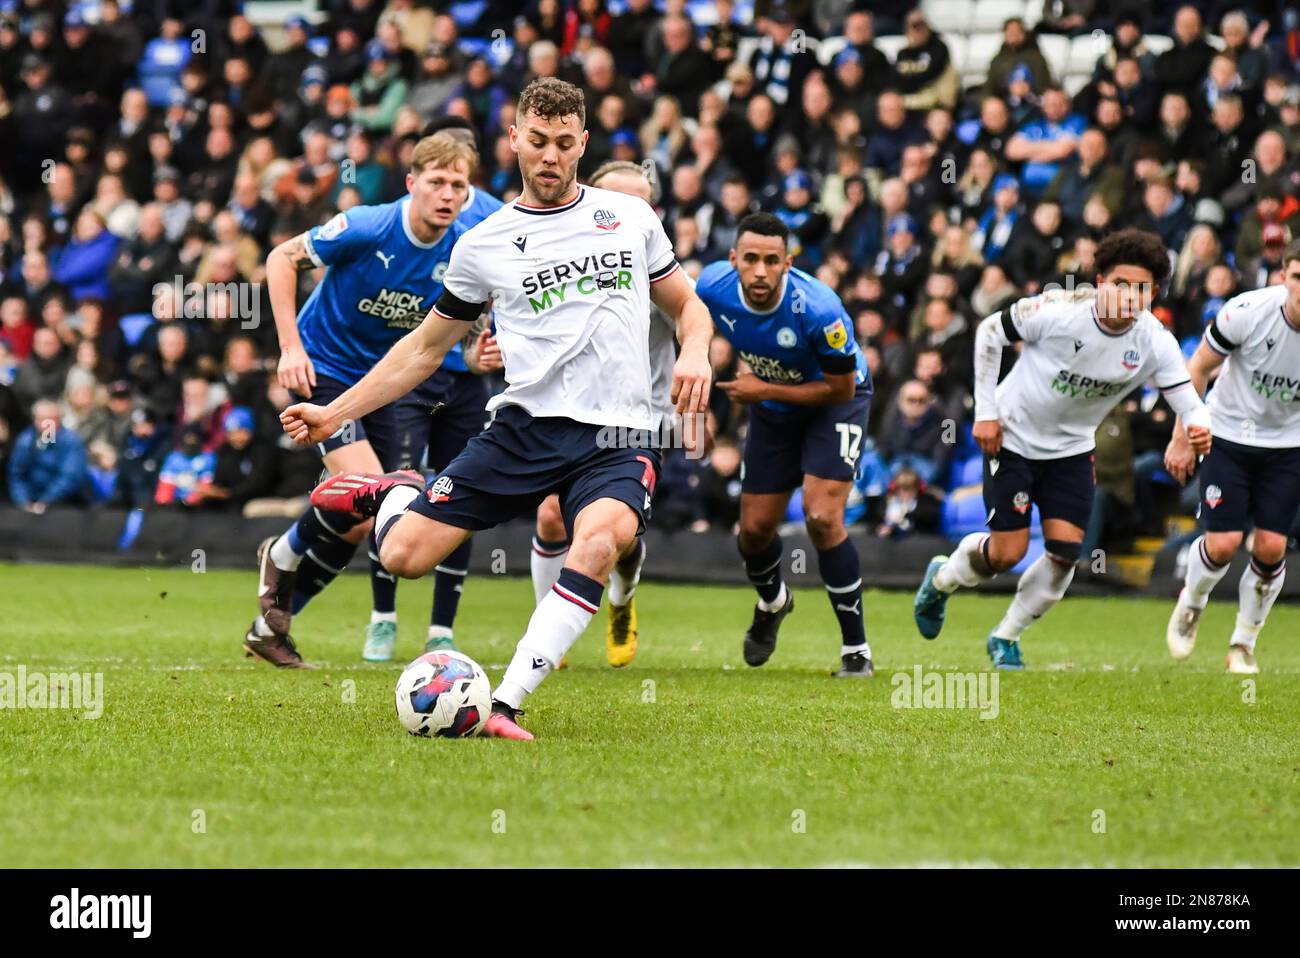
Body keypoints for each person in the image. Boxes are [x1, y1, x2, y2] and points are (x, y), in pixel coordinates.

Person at [286, 78, 713, 740]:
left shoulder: (630, 218)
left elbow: (688, 304)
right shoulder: (483, 243)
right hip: (521, 430)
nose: (550, 156)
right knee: (402, 556)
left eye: (565, 144)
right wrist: (331, 411)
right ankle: (392, 494)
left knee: (599, 541)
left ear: (583, 144)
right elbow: (421, 351)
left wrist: (697, 351)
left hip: (620, 432)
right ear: (514, 138)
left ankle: (506, 704)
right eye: (537, 141)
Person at [913, 229, 1213, 669]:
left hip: (1071, 451)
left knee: (1064, 555)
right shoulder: (1057, 310)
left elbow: (1188, 399)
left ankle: (1005, 636)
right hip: (1012, 438)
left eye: (1142, 289)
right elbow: (990, 332)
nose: (1130, 297)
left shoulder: (1154, 341)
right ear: (1100, 280)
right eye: (1121, 284)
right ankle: (941, 579)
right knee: (1007, 554)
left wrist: (1197, 427)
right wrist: (986, 412)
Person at [245, 132, 475, 670]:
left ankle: (268, 622)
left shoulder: (464, 245)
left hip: (382, 386)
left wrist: (484, 352)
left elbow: (469, 317)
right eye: (437, 182)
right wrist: (288, 347)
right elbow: (281, 258)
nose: (447, 195)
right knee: (376, 493)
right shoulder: (370, 225)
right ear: (412, 183)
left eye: (458, 186)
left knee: (361, 519)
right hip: (321, 370)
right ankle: (279, 558)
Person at [694, 212, 875, 678]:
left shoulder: (819, 309)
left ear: (787, 263)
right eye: (750, 259)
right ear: (733, 259)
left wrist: (764, 391)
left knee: (821, 515)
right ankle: (774, 602)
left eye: (771, 261)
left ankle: (856, 651)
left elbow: (840, 390)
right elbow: (686, 329)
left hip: (835, 404)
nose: (760, 271)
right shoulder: (710, 287)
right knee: (752, 532)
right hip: (773, 411)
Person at [527, 158, 683, 669]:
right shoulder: (561, 261)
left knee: (621, 536)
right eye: (617, 200)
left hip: (639, 421)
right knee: (551, 514)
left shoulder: (663, 275)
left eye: (640, 203)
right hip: (566, 413)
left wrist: (703, 347)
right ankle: (545, 627)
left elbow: (696, 317)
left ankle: (620, 601)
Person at [1164, 241, 1300, 674]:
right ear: (1283, 276)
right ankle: (1193, 601)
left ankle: (1242, 643)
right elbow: (1197, 368)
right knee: (1222, 544)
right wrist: (1183, 434)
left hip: (1288, 444)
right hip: (1227, 433)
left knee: (1272, 545)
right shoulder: (1247, 312)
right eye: (1298, 277)